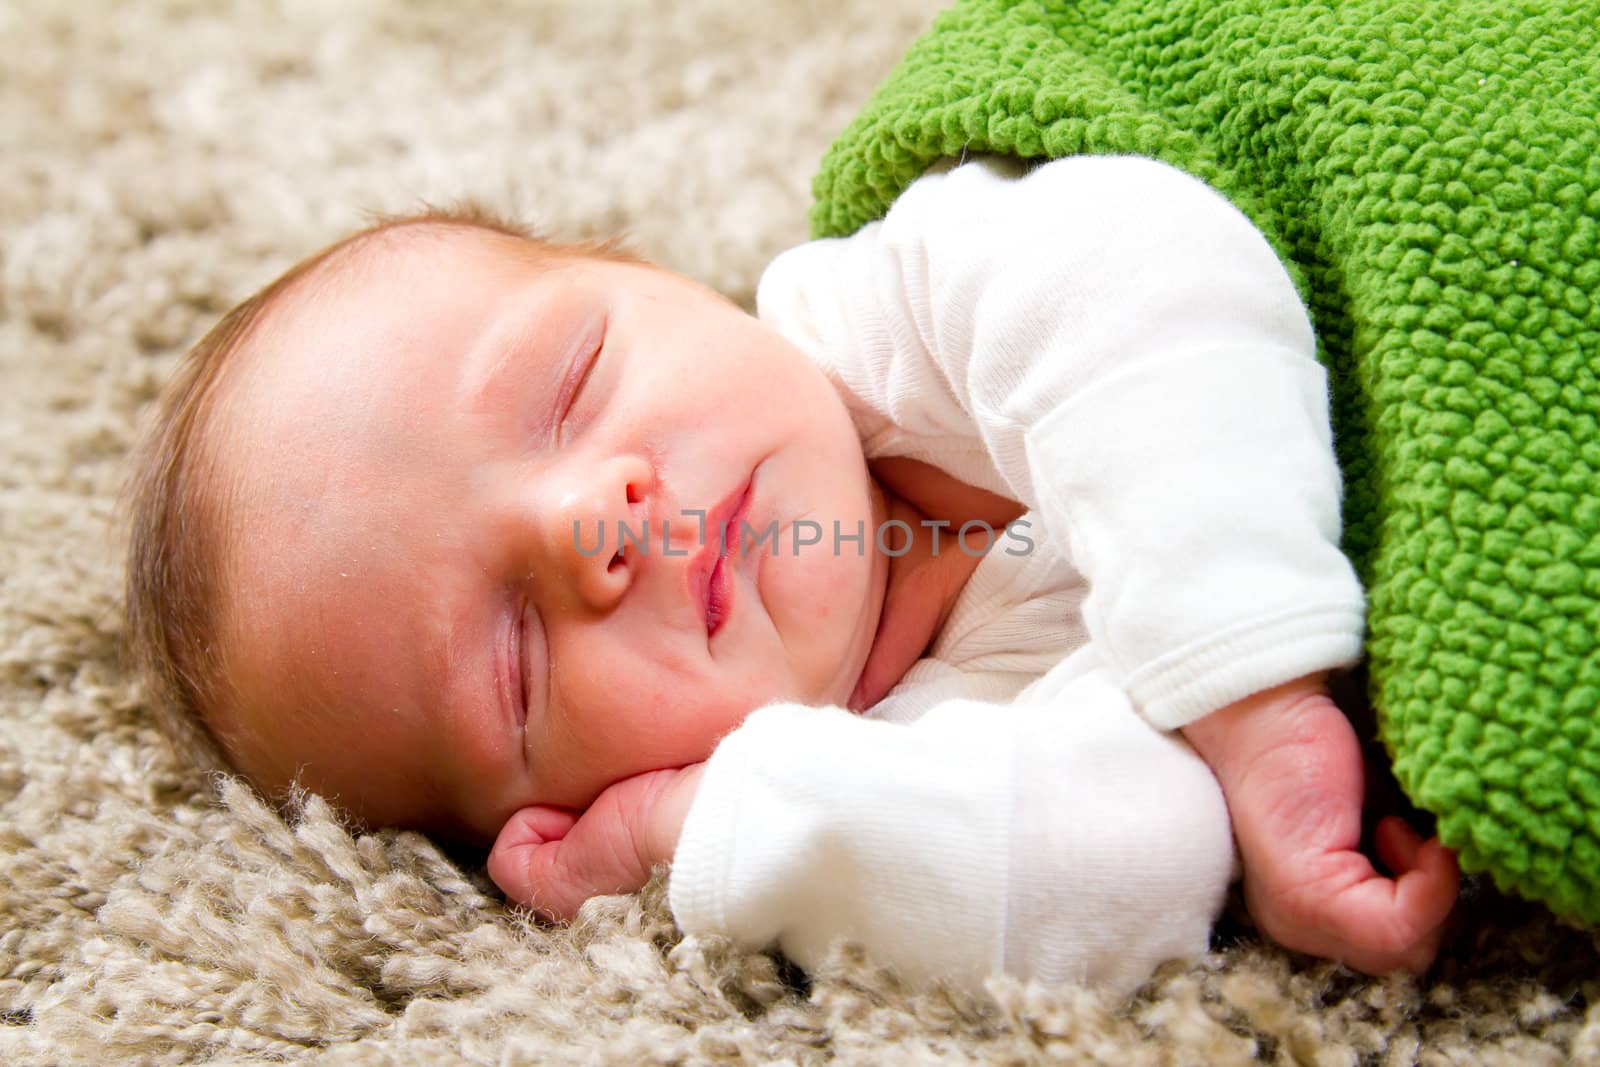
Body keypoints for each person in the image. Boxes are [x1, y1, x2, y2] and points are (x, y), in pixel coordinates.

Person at [123, 152, 1459, 998]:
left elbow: (1146, 254)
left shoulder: (890, 310)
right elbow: (1128, 869)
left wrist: (1252, 682)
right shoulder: (903, 764)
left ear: (664, 282)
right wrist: (710, 831)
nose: (595, 524)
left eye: (570, 385)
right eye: (517, 656)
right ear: (540, 821)